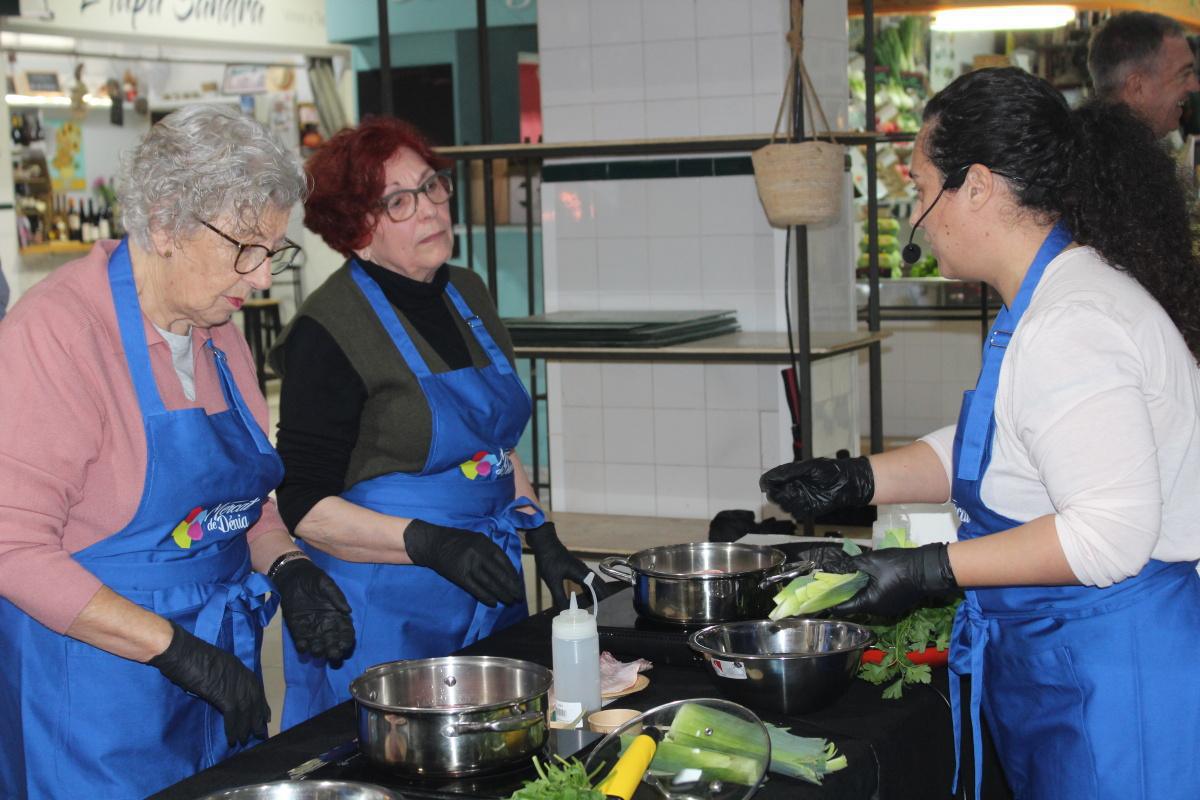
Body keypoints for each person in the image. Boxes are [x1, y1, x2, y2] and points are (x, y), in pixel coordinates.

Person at [761, 68, 1200, 800]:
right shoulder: (1047, 299)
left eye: (922, 186)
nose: (918, 216)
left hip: (1118, 673)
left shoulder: (1072, 323)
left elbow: (1109, 536)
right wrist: (860, 478)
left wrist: (929, 570)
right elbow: (1001, 444)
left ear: (979, 185)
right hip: (1069, 661)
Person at [0, 105, 355, 799]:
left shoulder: (214, 329)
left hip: (207, 662)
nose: (259, 280)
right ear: (165, 222)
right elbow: (10, 548)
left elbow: (237, 505)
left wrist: (287, 565)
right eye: (245, 249)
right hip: (92, 691)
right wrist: (175, 648)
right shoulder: (57, 334)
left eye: (273, 252)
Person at [269, 116, 609, 728]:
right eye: (398, 200)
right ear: (357, 229)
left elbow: (492, 449)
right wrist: (430, 542)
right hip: (379, 602)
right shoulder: (328, 331)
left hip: (480, 575)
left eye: (430, 187)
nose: (428, 209)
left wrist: (542, 535)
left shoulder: (467, 294)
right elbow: (302, 504)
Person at [1087, 10, 1199, 139]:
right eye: (1184, 74)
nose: (1195, 86)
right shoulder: (1121, 157)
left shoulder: (1097, 148)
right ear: (1137, 87)